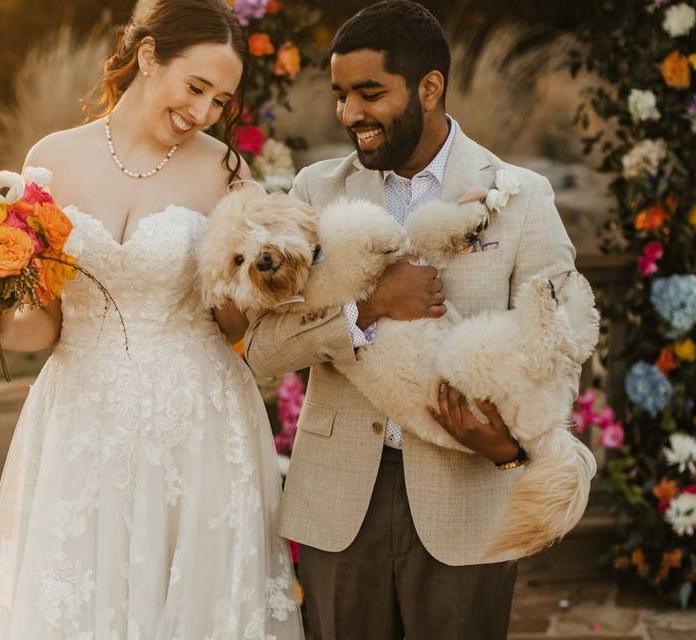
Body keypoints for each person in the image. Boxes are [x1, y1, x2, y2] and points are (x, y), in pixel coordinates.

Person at [0, 1, 302, 637]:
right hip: (81, 416)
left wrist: (259, 275)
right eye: (195, 87)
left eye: (220, 101)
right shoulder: (50, 161)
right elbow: (42, 328)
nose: (201, 113)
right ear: (147, 57)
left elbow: (233, 325)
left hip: (195, 421)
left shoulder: (226, 172)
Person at [243, 2, 587, 638]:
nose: (350, 115)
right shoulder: (315, 193)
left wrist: (510, 451)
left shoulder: (520, 195)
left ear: (430, 87)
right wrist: (370, 307)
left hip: (468, 496)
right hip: (340, 501)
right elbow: (261, 349)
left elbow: (560, 346)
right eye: (341, 96)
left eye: (370, 93)